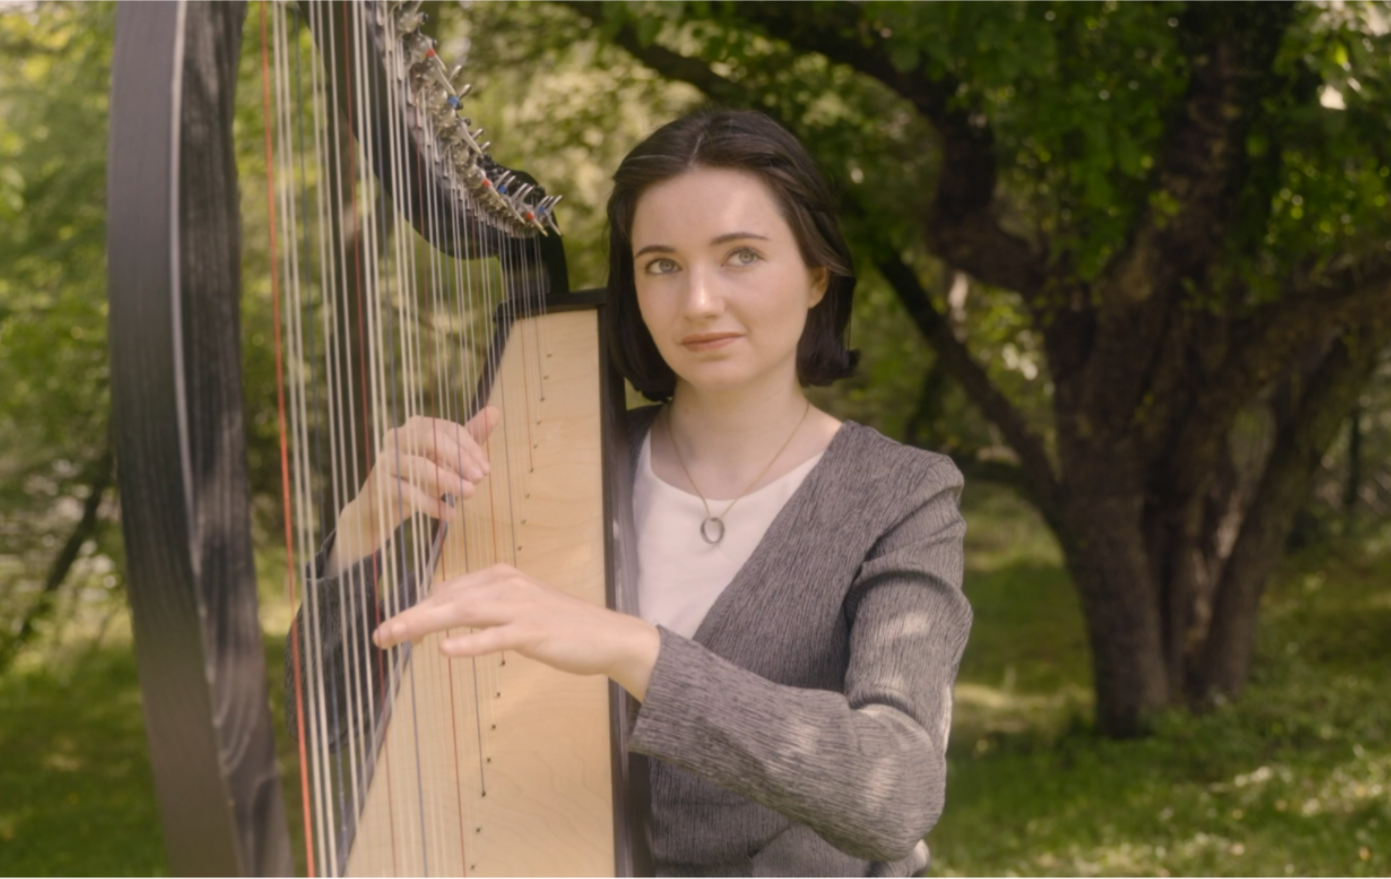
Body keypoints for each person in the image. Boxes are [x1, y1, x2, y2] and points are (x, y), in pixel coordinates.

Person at [293, 109, 971, 876]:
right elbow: (324, 719)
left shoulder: (899, 494)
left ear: (818, 274)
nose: (700, 302)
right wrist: (363, 527)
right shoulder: (544, 464)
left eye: (740, 255)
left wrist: (631, 647)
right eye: (661, 264)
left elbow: (899, 786)